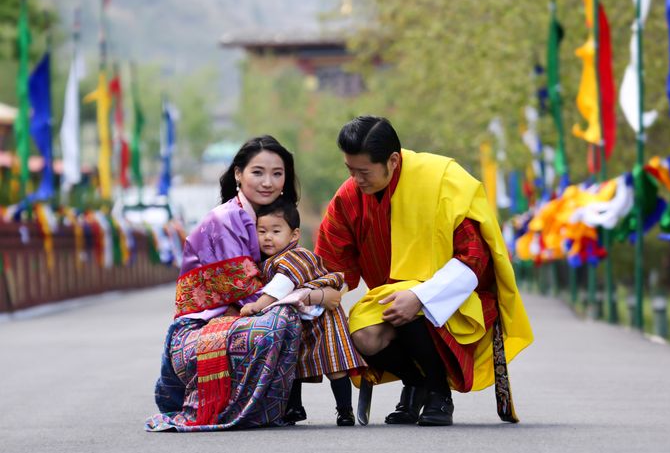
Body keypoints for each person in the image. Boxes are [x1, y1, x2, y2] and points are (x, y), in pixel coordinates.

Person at [315, 116, 533, 427]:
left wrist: (420, 294)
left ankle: (438, 395)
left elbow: (473, 258)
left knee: (408, 306)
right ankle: (424, 383)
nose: (356, 180)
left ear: (392, 160)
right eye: (350, 170)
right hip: (391, 302)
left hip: (456, 299)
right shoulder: (349, 197)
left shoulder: (441, 180)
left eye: (363, 172)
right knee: (360, 336)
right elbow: (331, 266)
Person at [145, 135, 342, 432]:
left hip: (238, 321)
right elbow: (254, 298)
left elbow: (292, 272)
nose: (268, 182)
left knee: (299, 313)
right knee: (281, 316)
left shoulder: (267, 219)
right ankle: (254, 407)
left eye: (277, 174)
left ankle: (288, 404)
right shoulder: (225, 221)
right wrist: (315, 295)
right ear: (238, 173)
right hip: (201, 331)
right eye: (257, 172)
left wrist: (315, 292)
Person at [239, 198, 366, 426]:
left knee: (334, 365)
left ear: (294, 235)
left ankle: (344, 410)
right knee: (291, 362)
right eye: (262, 231)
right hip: (298, 320)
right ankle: (294, 408)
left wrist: (258, 306)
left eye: (276, 231)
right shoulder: (268, 261)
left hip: (323, 320)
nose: (268, 237)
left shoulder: (295, 256)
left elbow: (283, 284)